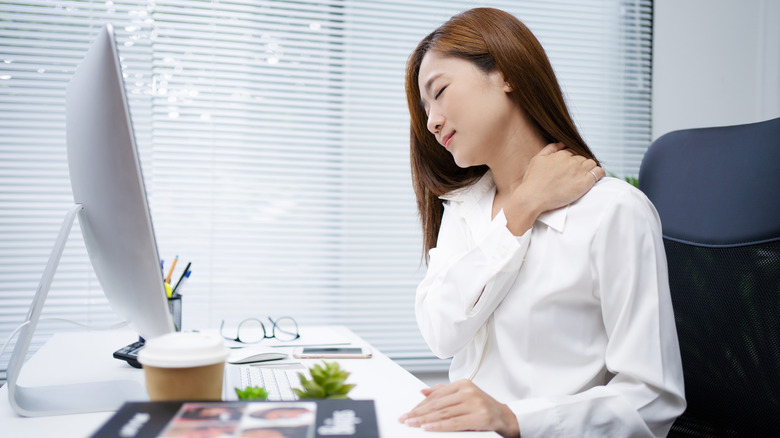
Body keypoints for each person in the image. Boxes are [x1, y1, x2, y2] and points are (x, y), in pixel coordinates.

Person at [398, 7, 685, 438]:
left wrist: (514, 419)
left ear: (506, 73)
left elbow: (653, 398)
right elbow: (442, 334)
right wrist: (521, 210)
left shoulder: (614, 211)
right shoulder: (464, 209)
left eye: (439, 92)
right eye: (424, 108)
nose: (431, 120)